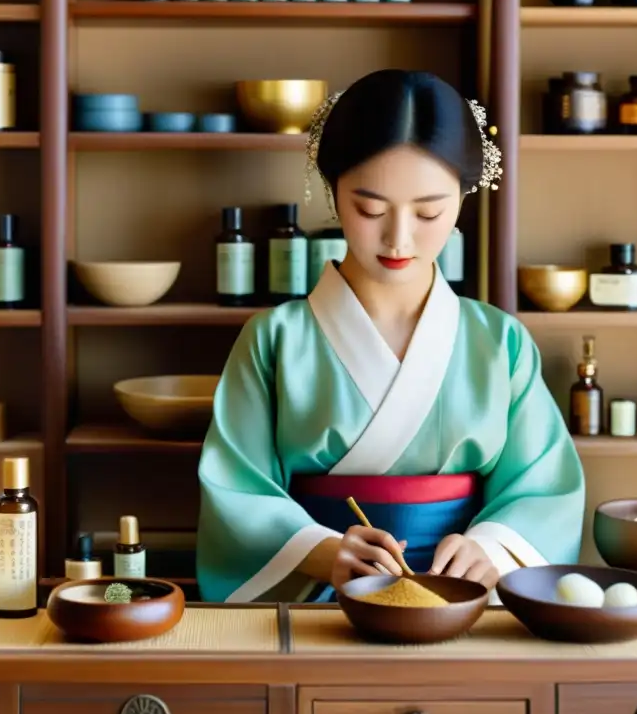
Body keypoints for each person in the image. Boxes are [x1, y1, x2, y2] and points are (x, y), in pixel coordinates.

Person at [196, 69, 586, 604]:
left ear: (463, 200)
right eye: (370, 209)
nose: (398, 238)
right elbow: (235, 489)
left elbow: (544, 486)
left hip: (463, 598)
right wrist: (321, 550)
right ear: (332, 191)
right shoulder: (275, 340)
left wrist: (493, 546)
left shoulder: (499, 342)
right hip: (316, 595)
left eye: (429, 212)